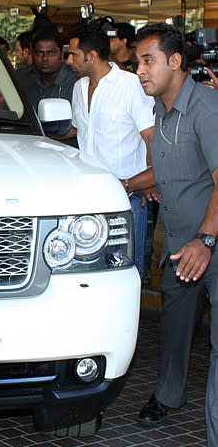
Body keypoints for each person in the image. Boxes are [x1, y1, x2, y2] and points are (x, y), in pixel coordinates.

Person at [132, 23, 218, 446]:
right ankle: (167, 396)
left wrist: (205, 240)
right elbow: (174, 169)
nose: (140, 71)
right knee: (175, 327)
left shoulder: (206, 107)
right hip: (183, 249)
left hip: (210, 245)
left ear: (176, 62)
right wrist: (129, 183)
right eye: (137, 62)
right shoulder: (161, 109)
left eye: (148, 61)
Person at [64, 23, 155, 278]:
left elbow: (151, 135)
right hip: (86, 196)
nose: (69, 60)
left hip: (127, 196)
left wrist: (149, 178)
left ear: (91, 56)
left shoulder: (130, 85)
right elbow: (76, 129)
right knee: (88, 268)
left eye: (73, 54)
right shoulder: (79, 87)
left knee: (126, 268)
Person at [16, 28, 77, 146]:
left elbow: (79, 129)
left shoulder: (75, 82)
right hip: (26, 148)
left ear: (61, 55)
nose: (44, 59)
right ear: (31, 54)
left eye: (51, 52)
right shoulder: (20, 78)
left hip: (66, 151)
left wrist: (41, 136)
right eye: (39, 53)